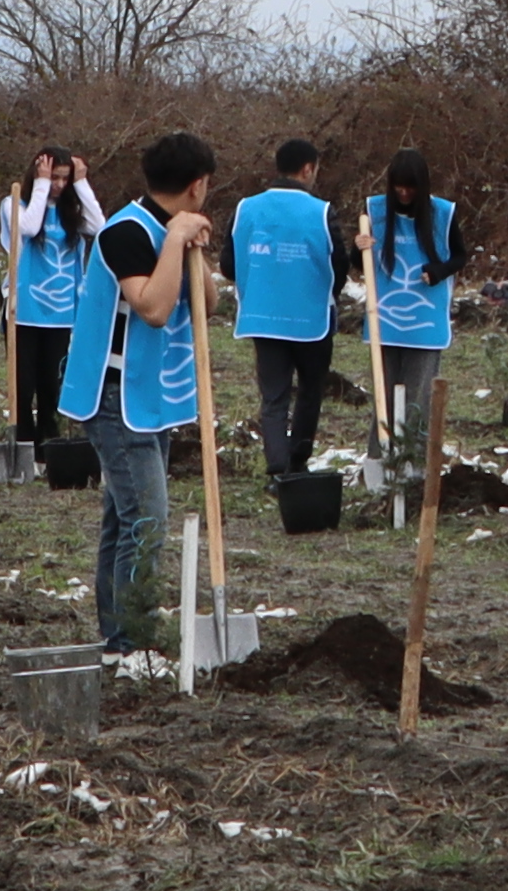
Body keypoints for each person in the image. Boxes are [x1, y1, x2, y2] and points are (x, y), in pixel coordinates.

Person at [75, 136, 216, 651]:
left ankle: (119, 636)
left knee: (125, 516)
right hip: (115, 396)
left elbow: (208, 304)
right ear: (197, 185)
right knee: (147, 521)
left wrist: (191, 249)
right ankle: (131, 641)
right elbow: (153, 309)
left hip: (151, 396)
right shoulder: (126, 233)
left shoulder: (168, 230)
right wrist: (175, 241)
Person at [229, 136, 344, 484]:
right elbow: (339, 264)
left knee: (274, 396)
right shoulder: (321, 211)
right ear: (308, 169)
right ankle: (298, 461)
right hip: (312, 320)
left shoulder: (246, 208)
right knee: (310, 389)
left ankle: (276, 466)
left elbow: (229, 263)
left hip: (262, 318)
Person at [362, 148, 462, 493]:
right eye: (398, 187)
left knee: (419, 398)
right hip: (384, 321)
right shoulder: (374, 211)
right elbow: (354, 262)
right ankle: (376, 468)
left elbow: (459, 255)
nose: (403, 194)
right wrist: (358, 248)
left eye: (410, 187)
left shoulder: (442, 214)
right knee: (383, 396)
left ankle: (416, 469)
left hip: (425, 324)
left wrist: (438, 270)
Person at [1, 153, 103, 451]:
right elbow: (30, 228)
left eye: (64, 179)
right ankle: (23, 440)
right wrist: (41, 185)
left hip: (61, 313)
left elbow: (99, 227)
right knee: (23, 383)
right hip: (23, 310)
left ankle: (49, 439)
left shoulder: (72, 212)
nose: (59, 184)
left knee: (51, 382)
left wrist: (82, 185)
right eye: (53, 177)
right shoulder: (14, 205)